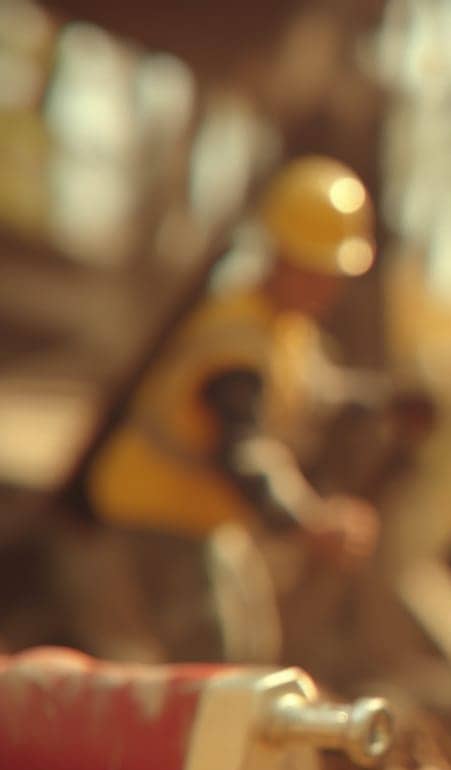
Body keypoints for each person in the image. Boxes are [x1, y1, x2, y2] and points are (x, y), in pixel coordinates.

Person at [79, 156, 386, 663]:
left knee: (253, 657)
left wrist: (383, 404)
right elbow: (242, 451)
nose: (331, 286)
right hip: (156, 515)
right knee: (217, 670)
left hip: (206, 523)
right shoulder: (236, 339)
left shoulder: (288, 331)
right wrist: (310, 521)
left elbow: (317, 389)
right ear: (282, 256)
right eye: (318, 269)